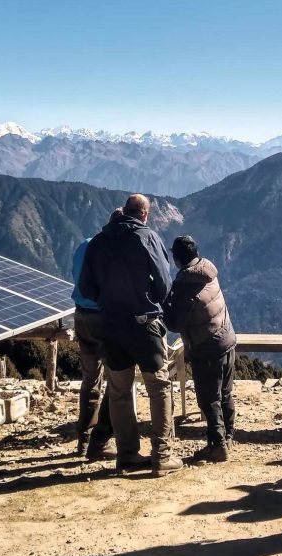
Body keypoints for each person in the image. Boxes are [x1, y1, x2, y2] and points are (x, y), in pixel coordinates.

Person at [79, 194, 182, 476]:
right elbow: (164, 281)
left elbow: (86, 288)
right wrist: (150, 301)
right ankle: (162, 455)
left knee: (119, 389)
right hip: (143, 322)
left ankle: (127, 454)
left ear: (124, 211)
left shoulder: (98, 242)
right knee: (158, 387)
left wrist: (108, 300)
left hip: (111, 324)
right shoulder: (147, 238)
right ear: (145, 214)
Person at [163, 235, 237, 463]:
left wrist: (164, 304)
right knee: (224, 393)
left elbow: (176, 323)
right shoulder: (207, 271)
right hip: (227, 338)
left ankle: (217, 446)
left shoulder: (186, 286)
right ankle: (229, 437)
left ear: (176, 259)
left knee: (209, 398)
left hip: (207, 347)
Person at [71, 214, 118, 461]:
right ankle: (101, 439)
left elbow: (74, 274)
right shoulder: (111, 249)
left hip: (80, 316)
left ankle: (84, 438)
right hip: (104, 319)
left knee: (90, 379)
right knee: (117, 377)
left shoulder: (85, 244)